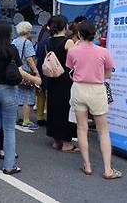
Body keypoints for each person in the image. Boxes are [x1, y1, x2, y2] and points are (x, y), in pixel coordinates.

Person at [0, 21, 39, 175]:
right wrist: (35, 79)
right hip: (7, 91)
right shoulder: (10, 49)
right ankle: (9, 166)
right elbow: (20, 72)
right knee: (8, 129)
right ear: (7, 33)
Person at [66, 21, 122, 180]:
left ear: (79, 34)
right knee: (103, 130)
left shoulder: (73, 51)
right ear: (94, 34)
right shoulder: (103, 51)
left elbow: (71, 69)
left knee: (81, 129)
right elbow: (109, 74)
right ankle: (107, 169)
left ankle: (87, 165)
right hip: (97, 90)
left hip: (78, 89)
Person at [41, 15, 78, 152]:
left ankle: (56, 141)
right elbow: (76, 60)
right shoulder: (68, 42)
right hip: (65, 80)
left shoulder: (48, 41)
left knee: (53, 108)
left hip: (52, 78)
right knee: (65, 109)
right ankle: (67, 143)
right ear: (65, 26)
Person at [12, 21, 41, 130]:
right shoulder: (27, 43)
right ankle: (26, 120)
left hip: (16, 71)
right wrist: (36, 72)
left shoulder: (14, 41)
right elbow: (29, 59)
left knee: (17, 95)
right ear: (28, 31)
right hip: (26, 72)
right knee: (28, 97)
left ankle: (16, 118)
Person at [34, 17, 53, 126]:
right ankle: (50, 116)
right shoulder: (50, 39)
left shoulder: (42, 38)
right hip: (50, 70)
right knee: (49, 93)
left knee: (40, 93)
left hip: (40, 67)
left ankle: (40, 117)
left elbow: (37, 55)